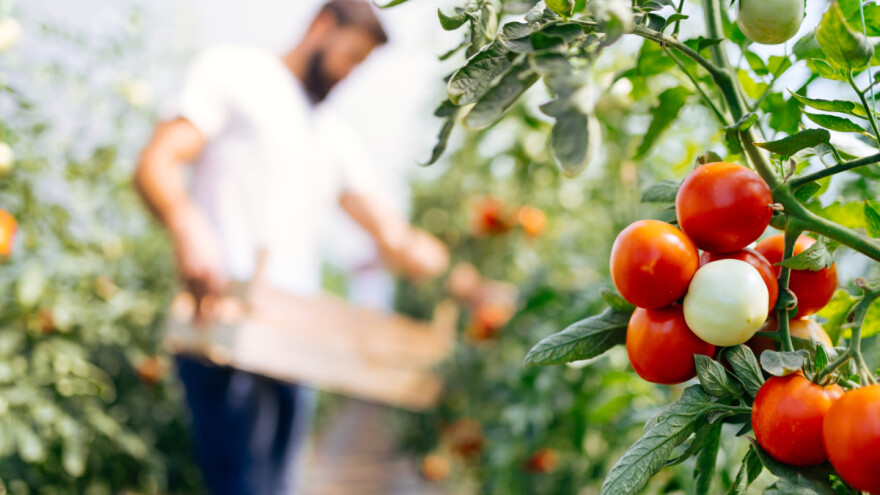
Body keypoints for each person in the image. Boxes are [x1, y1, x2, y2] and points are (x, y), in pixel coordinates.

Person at [133, 1, 449, 493]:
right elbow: (158, 160)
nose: (351, 74)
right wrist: (187, 224)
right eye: (352, 57)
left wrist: (447, 268)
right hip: (226, 322)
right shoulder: (235, 74)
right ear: (323, 26)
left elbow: (392, 235)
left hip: (294, 341)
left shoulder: (331, 134)